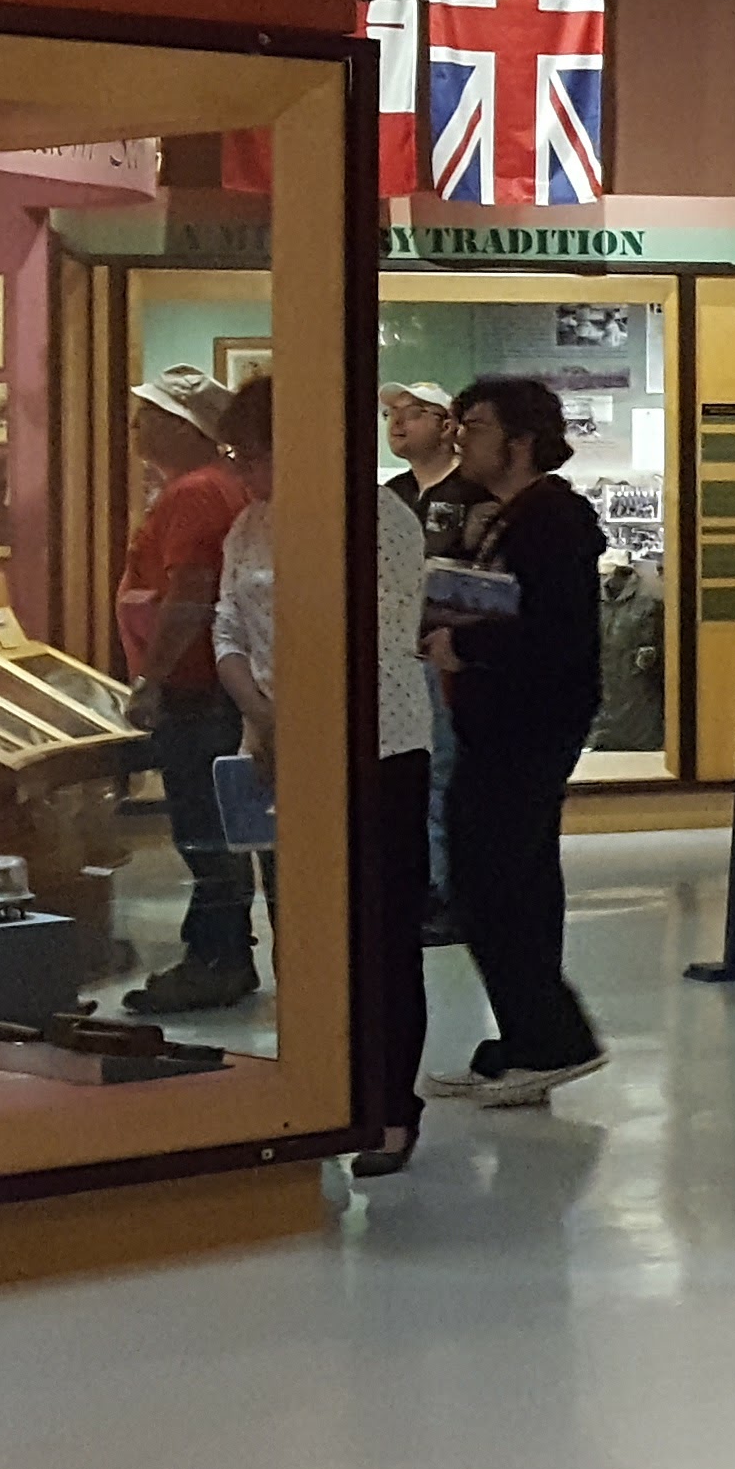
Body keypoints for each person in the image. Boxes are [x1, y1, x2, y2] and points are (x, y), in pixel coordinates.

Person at [234, 380, 440, 1172]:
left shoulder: (380, 519)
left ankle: (390, 1106)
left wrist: (300, 720)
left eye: (254, 454)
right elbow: (227, 623)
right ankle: (315, 1091)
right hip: (279, 748)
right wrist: (260, 712)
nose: (245, 471)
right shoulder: (251, 524)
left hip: (378, 748)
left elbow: (376, 639)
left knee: (382, 934)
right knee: (300, 929)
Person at [422, 375, 606, 1107]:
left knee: (494, 879)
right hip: (499, 723)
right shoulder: (506, 516)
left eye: (475, 427)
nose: (461, 440)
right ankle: (527, 1038)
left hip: (527, 726)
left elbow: (557, 634)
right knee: (504, 880)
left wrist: (468, 649)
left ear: (521, 442)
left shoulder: (552, 520)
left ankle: (554, 1037)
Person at [118, 365, 259, 1013]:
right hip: (213, 684)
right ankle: (221, 952)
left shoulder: (195, 492)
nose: (136, 426)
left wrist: (153, 677)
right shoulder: (220, 485)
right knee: (218, 826)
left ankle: (216, 959)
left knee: (205, 829)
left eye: (149, 415)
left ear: (182, 426)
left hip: (197, 687)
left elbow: (190, 593)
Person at [381, 382, 474, 940]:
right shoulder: (387, 497)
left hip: (452, 660)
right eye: (391, 414)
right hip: (395, 661)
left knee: (446, 775)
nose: (397, 423)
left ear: (445, 425)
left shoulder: (473, 494)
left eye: (413, 413)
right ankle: (418, 886)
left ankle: (448, 892)